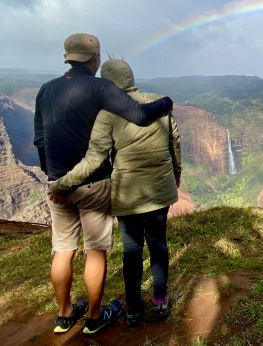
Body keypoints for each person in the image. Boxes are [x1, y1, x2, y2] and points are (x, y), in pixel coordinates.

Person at [34, 33, 173, 335]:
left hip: (59, 184)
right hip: (95, 185)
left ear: (66, 57)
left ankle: (65, 313)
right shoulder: (100, 89)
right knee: (96, 250)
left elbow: (41, 139)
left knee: (63, 250)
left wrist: (56, 181)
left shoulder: (46, 90)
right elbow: (139, 115)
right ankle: (96, 317)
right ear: (94, 59)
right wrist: (166, 101)